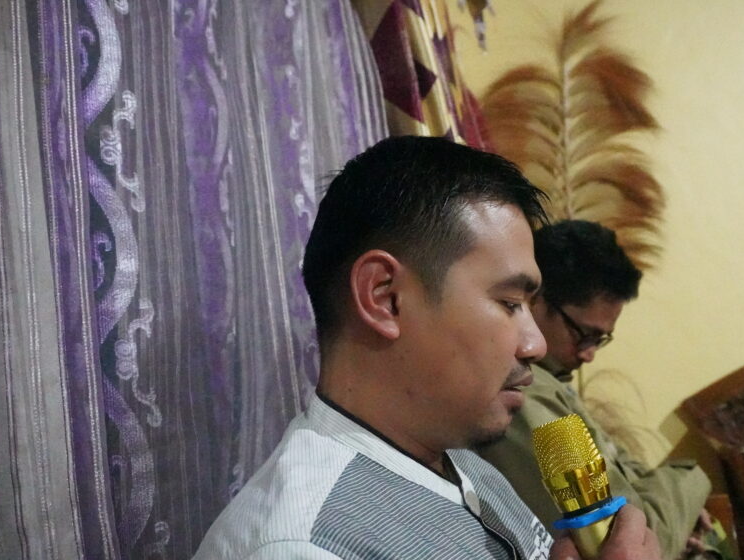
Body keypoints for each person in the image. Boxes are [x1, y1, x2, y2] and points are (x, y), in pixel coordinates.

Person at [193, 137, 662, 559]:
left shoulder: (466, 465)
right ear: (385, 297)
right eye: (509, 303)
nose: (535, 344)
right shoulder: (304, 545)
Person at [477, 220, 713, 560]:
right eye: (584, 334)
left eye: (600, 340)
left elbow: (632, 477)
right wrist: (689, 481)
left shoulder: (554, 382)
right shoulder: (522, 391)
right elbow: (629, 540)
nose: (589, 355)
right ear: (535, 300)